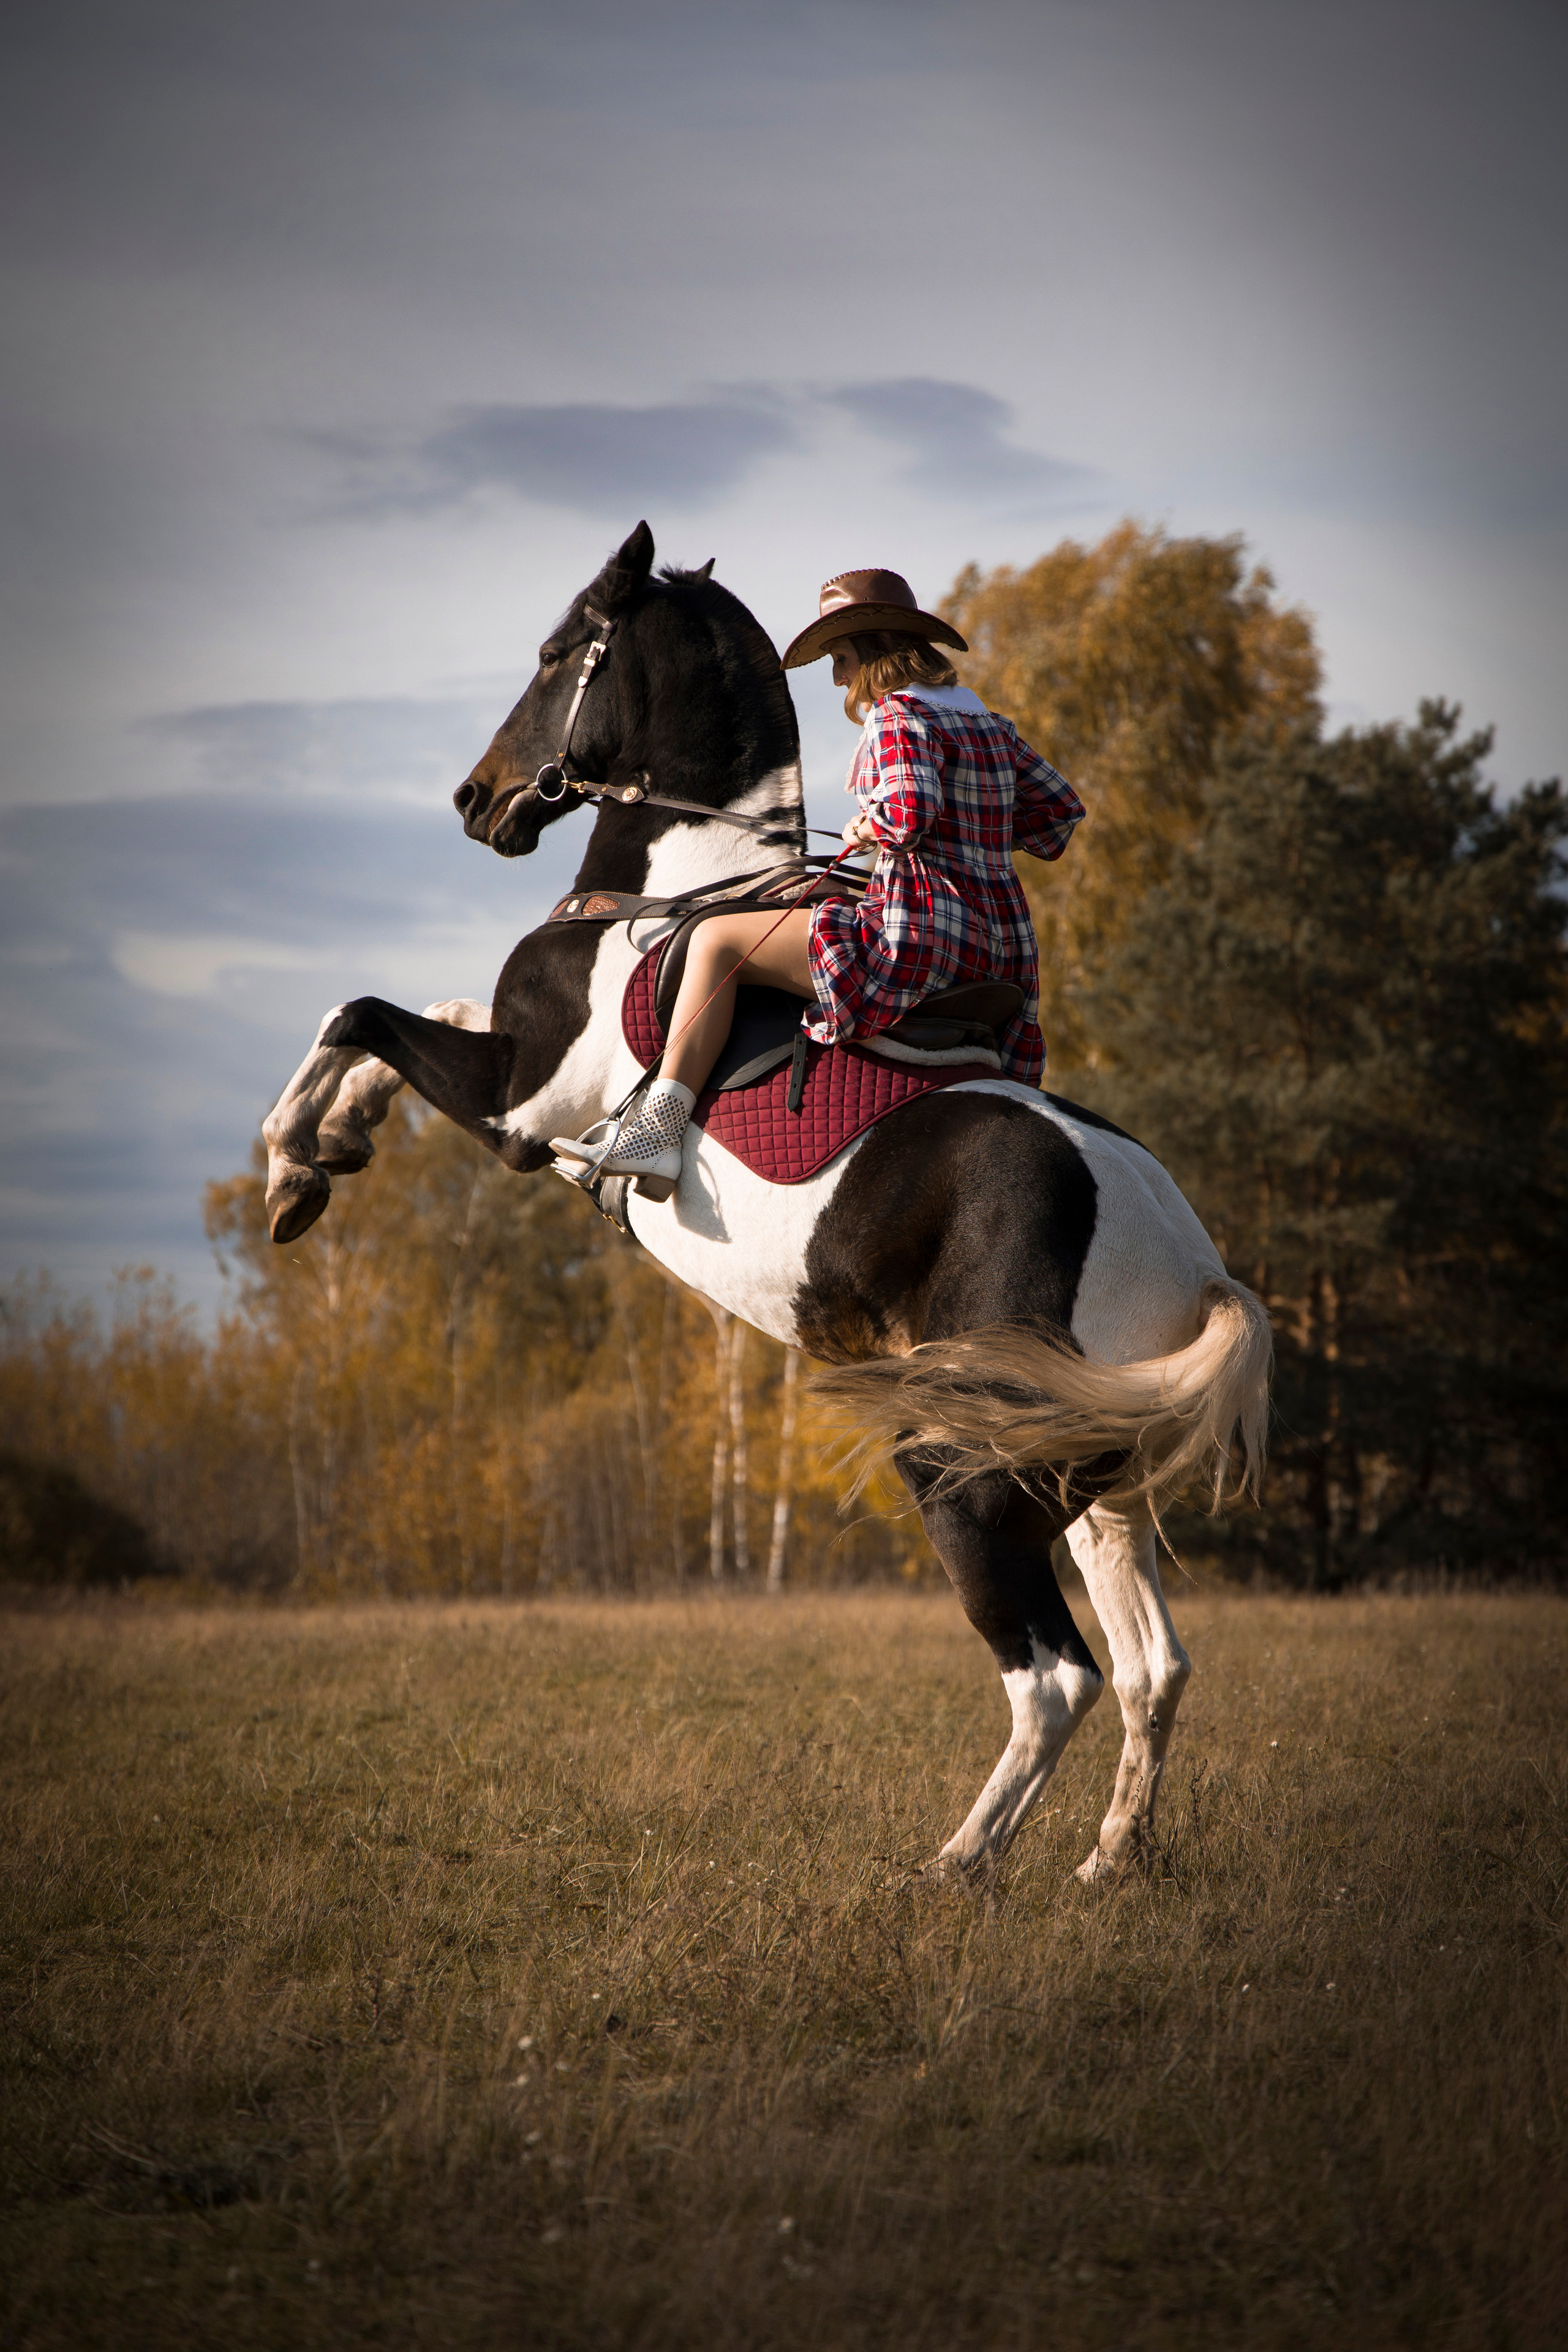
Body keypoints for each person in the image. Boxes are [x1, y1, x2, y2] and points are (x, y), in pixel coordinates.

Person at [551, 567, 1085, 1193]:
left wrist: (868, 827)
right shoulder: (991, 727)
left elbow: (907, 814)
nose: (837, 678)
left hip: (916, 945)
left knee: (716, 942)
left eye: (841, 657)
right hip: (999, 951)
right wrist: (979, 830)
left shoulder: (897, 717)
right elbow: (1058, 813)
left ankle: (657, 1134)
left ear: (874, 651)